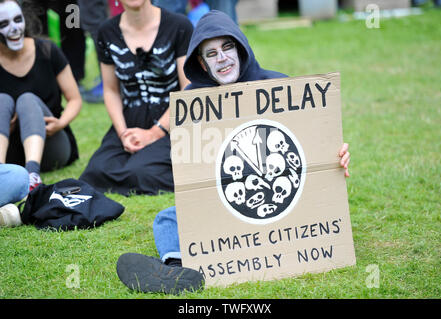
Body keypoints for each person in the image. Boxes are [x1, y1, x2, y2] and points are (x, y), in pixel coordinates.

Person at [116, 10, 352, 295]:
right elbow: (195, 169)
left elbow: (311, 145)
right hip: (226, 199)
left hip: (279, 196)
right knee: (168, 218)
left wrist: (335, 156)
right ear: (202, 64)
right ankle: (177, 268)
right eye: (212, 53)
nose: (223, 58)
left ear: (241, 50)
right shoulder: (192, 103)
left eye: (228, 48)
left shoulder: (280, 87)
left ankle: (182, 263)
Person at [79, 0, 193, 196]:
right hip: (130, 117)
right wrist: (123, 133)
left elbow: (188, 89)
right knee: (97, 171)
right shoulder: (106, 32)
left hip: (174, 119)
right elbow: (111, 90)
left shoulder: (179, 26)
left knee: (140, 172)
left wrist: (154, 133)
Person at [0, 0, 82, 191]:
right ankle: (2, 172)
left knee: (26, 99)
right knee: (2, 101)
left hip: (52, 145)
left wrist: (60, 123)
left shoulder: (47, 50)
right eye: (3, 24)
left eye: (18, 20)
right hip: (11, 150)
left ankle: (32, 176)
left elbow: (75, 99)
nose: (14, 29)